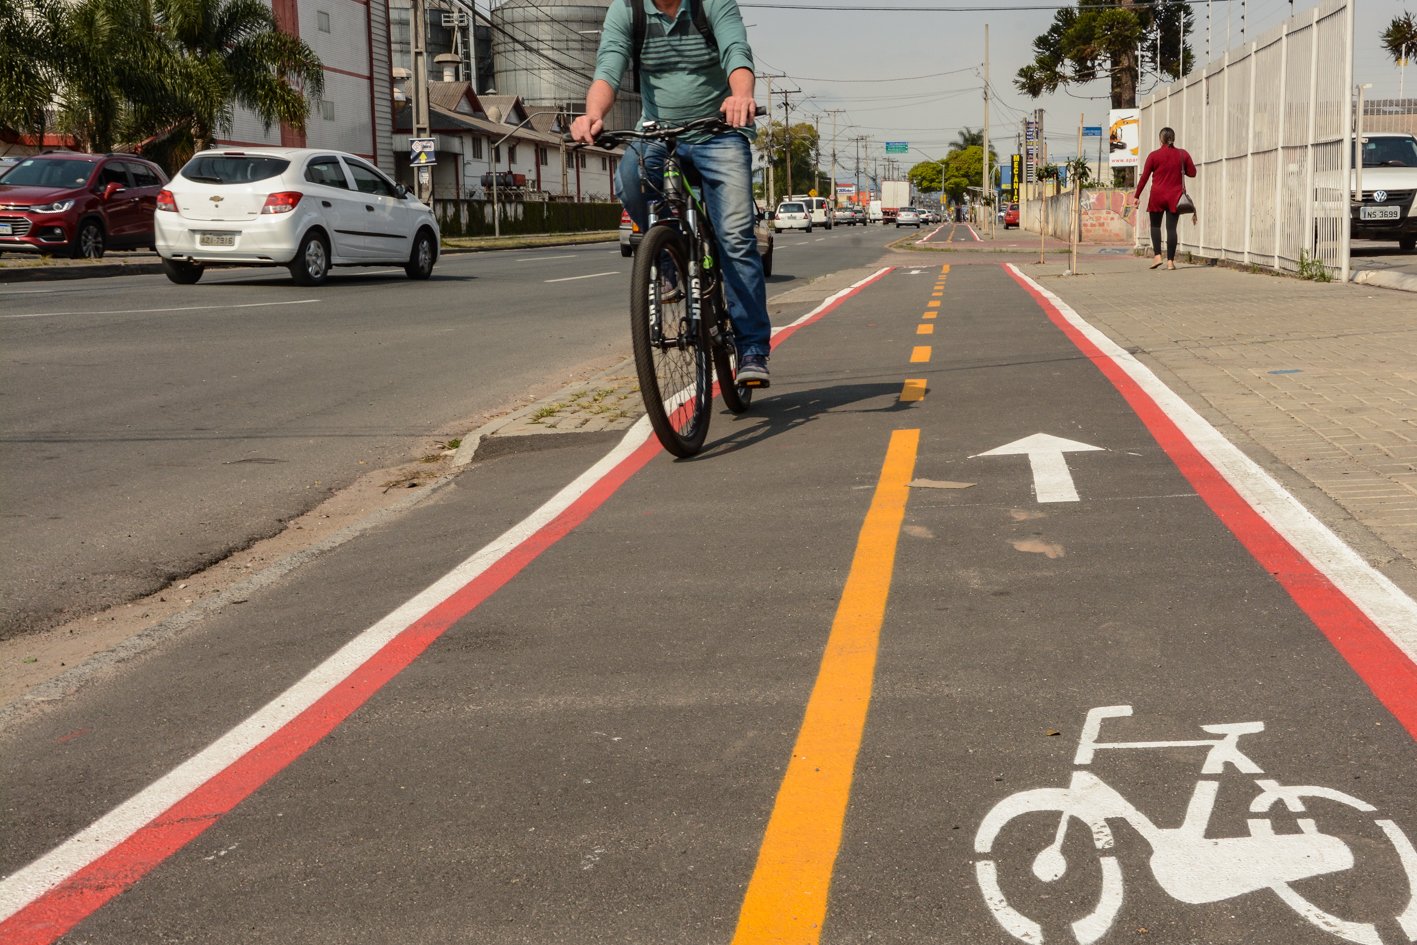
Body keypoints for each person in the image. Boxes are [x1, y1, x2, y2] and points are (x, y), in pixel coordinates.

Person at [570, 0, 772, 386]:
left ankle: (752, 349)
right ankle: (667, 258)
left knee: (735, 238)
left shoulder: (711, 4)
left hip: (719, 132)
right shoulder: (628, 10)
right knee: (629, 177)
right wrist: (593, 113)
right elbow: (608, 68)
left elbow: (736, 52)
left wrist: (740, 95)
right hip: (659, 133)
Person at [1132, 127, 1196, 271]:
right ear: (1173, 138)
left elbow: (1144, 177)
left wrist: (1137, 196)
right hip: (1175, 197)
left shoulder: (1154, 156)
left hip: (1157, 196)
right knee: (1171, 228)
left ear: (1160, 139)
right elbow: (1192, 173)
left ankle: (1157, 256)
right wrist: (1181, 168)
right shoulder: (1182, 154)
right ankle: (1171, 262)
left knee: (1155, 226)